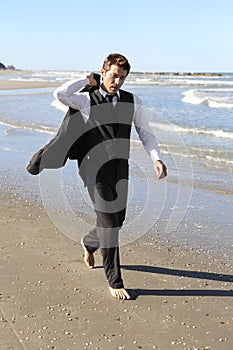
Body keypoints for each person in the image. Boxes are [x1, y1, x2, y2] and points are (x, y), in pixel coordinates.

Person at [27, 53, 167, 300]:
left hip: (119, 168)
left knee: (117, 219)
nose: (117, 82)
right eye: (113, 75)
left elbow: (146, 133)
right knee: (110, 224)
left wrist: (155, 158)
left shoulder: (133, 102)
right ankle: (115, 280)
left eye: (122, 78)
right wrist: (86, 79)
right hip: (93, 170)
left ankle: (89, 243)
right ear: (103, 72)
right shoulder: (85, 100)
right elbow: (59, 94)